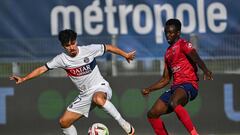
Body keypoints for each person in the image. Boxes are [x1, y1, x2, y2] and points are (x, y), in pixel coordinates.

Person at [10, 29, 135, 135]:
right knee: (64, 122)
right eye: (67, 45)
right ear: (63, 46)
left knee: (98, 99)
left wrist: (125, 55)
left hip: (100, 87)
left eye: (73, 43)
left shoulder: (88, 50)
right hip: (85, 95)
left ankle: (124, 124)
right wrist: (24, 78)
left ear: (76, 41)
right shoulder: (61, 59)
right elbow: (43, 69)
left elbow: (108, 47)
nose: (71, 47)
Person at [141, 19, 213, 135]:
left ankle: (194, 134)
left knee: (174, 102)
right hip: (176, 87)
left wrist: (205, 70)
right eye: (166, 32)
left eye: (171, 32)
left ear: (178, 33)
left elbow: (195, 57)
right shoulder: (167, 53)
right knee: (152, 114)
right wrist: (149, 89)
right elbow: (165, 79)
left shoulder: (183, 44)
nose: (168, 35)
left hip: (189, 84)